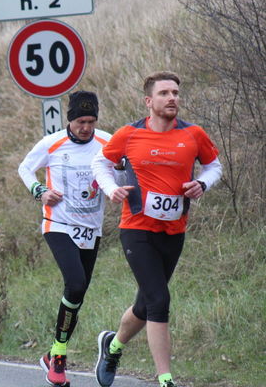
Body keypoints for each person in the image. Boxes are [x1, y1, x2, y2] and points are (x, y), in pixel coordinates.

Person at [91, 71, 222, 387]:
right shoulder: (129, 134)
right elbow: (100, 163)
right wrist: (111, 189)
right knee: (159, 300)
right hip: (137, 229)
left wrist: (202, 183)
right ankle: (166, 379)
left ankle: (112, 346)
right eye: (165, 93)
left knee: (145, 303)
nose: (173, 98)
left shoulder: (193, 134)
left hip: (174, 231)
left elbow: (214, 165)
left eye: (176, 92)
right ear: (149, 101)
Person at [18, 91, 112, 387]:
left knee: (78, 295)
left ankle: (51, 353)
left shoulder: (107, 142)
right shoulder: (52, 143)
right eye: (81, 121)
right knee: (75, 283)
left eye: (91, 121)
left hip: (91, 228)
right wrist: (39, 192)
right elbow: (24, 168)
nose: (86, 127)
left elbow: (122, 175)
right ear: (70, 120)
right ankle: (59, 356)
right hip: (58, 224)